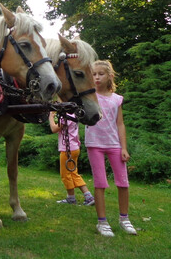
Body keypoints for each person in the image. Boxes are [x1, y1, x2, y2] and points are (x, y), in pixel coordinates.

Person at [86, 60, 136, 237]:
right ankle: (102, 222)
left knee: (123, 182)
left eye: (101, 73)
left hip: (114, 144)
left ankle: (124, 219)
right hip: (94, 144)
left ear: (110, 76)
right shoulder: (89, 96)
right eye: (94, 74)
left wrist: (124, 147)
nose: (97, 77)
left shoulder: (117, 99)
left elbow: (120, 124)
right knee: (100, 183)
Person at [49, 111, 94, 206]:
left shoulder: (66, 117)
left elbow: (54, 129)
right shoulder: (73, 115)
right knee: (73, 173)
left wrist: (51, 116)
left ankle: (71, 198)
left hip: (67, 150)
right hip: (74, 148)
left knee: (65, 175)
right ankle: (88, 196)